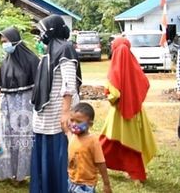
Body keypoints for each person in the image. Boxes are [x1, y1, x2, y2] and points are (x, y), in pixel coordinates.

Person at [30, 14, 82, 193]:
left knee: (59, 158)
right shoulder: (50, 50)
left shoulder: (65, 48)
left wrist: (66, 112)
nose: (41, 33)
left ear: (51, 30)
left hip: (57, 117)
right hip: (45, 117)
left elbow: (69, 83)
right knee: (46, 157)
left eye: (43, 29)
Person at [99, 37, 157, 183]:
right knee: (130, 140)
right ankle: (135, 173)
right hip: (136, 110)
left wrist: (108, 94)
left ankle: (97, 161)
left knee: (112, 138)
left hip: (119, 112)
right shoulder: (134, 64)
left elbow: (115, 94)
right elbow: (145, 84)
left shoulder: (115, 67)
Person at [0, 27, 39, 184]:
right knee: (8, 137)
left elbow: (38, 85)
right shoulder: (6, 62)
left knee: (23, 138)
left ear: (15, 40)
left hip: (25, 106)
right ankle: (8, 171)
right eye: (2, 42)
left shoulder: (32, 60)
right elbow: (1, 85)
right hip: (9, 107)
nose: (4, 45)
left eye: (6, 41)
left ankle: (21, 174)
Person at [67, 102, 112, 193]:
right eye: (72, 120)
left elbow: (101, 163)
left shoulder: (93, 141)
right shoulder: (72, 136)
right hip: (71, 182)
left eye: (79, 122)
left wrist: (106, 184)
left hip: (85, 185)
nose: (74, 124)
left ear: (90, 124)